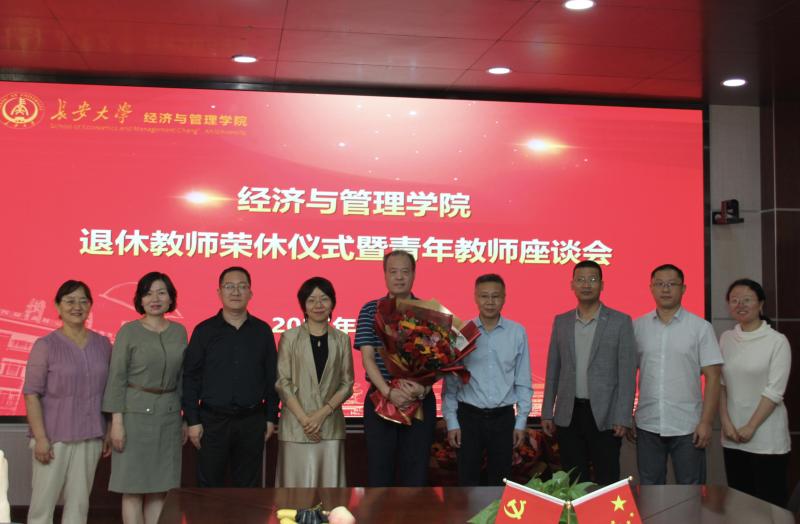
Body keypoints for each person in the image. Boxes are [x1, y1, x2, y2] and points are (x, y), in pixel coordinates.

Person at [23, 280, 112, 524]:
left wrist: (108, 428)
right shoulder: (45, 345)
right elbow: (31, 394)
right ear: (57, 306)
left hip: (90, 436)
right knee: (43, 505)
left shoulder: (103, 344)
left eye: (83, 301)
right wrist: (41, 438)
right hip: (53, 438)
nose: (77, 306)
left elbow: (110, 391)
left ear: (90, 305)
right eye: (70, 301)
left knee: (79, 505)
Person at [541, 260, 637, 485]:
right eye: (581, 280)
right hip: (569, 414)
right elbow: (553, 369)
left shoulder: (620, 321)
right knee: (574, 480)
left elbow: (627, 374)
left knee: (607, 479)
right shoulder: (562, 321)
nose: (586, 285)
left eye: (592, 280)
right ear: (572, 285)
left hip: (606, 416)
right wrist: (547, 412)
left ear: (602, 285)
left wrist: (623, 416)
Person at [103, 272, 188, 524]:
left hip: (169, 417)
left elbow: (183, 378)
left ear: (171, 298)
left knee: (160, 489)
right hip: (133, 418)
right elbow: (116, 378)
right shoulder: (128, 331)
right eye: (148, 293)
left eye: (161, 293)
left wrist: (185, 418)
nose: (155, 299)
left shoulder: (179, 332)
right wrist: (116, 423)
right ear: (140, 299)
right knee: (132, 488)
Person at [182, 266, 279, 487]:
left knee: (248, 490)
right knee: (209, 488)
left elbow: (271, 377)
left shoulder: (262, 331)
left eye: (242, 286)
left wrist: (271, 417)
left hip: (252, 421)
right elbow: (191, 378)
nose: (236, 292)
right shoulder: (204, 331)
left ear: (250, 293)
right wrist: (193, 420)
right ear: (219, 292)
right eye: (229, 286)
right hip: (212, 422)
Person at [632, 264, 722, 485]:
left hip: (688, 426)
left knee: (691, 491)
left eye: (672, 284)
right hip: (647, 423)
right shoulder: (637, 327)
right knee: (650, 489)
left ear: (683, 288)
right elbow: (627, 375)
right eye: (660, 284)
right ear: (651, 288)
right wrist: (626, 415)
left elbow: (713, 377)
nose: (665, 289)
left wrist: (706, 422)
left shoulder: (700, 328)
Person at [442, 274, 533, 486]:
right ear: (475, 297)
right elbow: (451, 382)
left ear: (504, 298)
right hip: (468, 417)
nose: (490, 302)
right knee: (467, 482)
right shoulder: (463, 333)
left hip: (503, 419)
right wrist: (452, 421)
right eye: (484, 296)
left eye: (495, 296)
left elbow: (523, 380)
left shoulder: (517, 332)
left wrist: (521, 421)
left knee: (501, 483)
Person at [354, 250, 434, 487]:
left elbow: (441, 360)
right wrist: (389, 392)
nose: (399, 277)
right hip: (381, 398)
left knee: (416, 476)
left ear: (414, 274)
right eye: (393, 271)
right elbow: (368, 357)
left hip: (419, 400)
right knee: (380, 475)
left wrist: (423, 388)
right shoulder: (371, 310)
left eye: (405, 272)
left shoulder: (428, 311)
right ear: (385, 275)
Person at [275, 277, 354, 487]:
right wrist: (305, 420)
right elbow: (283, 382)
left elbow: (347, 383)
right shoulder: (289, 337)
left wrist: (321, 414)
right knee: (294, 493)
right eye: (311, 300)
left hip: (330, 425)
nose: (318, 305)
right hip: (296, 426)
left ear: (333, 302)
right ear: (303, 305)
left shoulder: (342, 339)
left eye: (324, 299)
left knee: (330, 493)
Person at [719, 279, 791, 507]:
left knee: (770, 508)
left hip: (767, 438)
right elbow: (721, 385)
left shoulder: (777, 341)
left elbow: (775, 391)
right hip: (732, 437)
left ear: (760, 304)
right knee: (739, 506)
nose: (740, 305)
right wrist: (725, 422)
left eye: (747, 300)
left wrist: (751, 427)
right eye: (734, 300)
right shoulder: (726, 338)